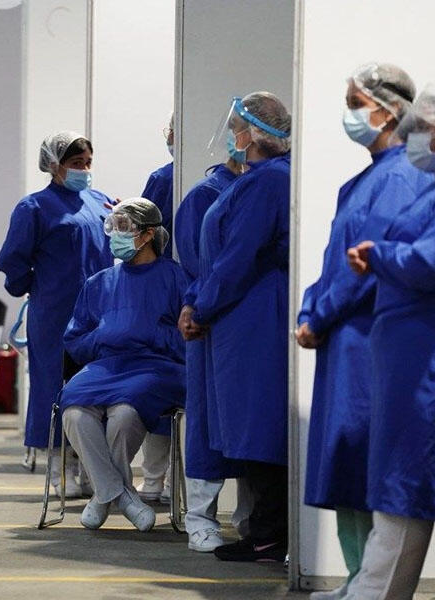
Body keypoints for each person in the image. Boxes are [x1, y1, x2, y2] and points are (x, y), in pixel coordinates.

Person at [295, 64, 426, 600]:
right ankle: (357, 581)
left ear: (389, 110)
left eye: (356, 103)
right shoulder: (360, 182)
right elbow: (335, 261)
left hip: (368, 338)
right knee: (348, 461)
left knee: (368, 460)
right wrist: (309, 309)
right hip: (341, 336)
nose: (349, 114)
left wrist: (320, 316)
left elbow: (365, 267)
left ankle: (367, 585)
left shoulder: (402, 176)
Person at [180, 92, 291, 562]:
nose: (232, 136)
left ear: (254, 134)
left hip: (253, 316)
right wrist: (196, 300)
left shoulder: (269, 181)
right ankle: (262, 532)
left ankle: (268, 536)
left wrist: (201, 307)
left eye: (236, 128)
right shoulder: (254, 181)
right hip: (237, 315)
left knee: (260, 425)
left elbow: (238, 257)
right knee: (249, 427)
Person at [342, 85, 435, 600]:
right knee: (402, 488)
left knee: (405, 487)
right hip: (407, 358)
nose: (419, 138)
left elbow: (427, 261)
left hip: (422, 364)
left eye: (426, 128)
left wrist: (379, 255)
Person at [0, 131, 113, 498]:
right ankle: (59, 467)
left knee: (94, 388)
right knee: (53, 385)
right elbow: (12, 260)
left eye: (88, 163)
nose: (84, 170)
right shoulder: (34, 208)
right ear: (53, 164)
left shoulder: (100, 202)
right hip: (55, 313)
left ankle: (91, 465)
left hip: (98, 314)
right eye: (76, 163)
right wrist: (35, 286)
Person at [61, 198, 185, 532]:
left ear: (148, 234)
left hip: (155, 367)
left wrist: (150, 335)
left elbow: (189, 337)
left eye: (124, 227)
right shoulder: (99, 283)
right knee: (73, 409)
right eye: (113, 227)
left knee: (126, 414)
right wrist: (105, 337)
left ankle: (103, 495)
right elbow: (75, 338)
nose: (116, 234)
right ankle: (120, 494)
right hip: (107, 365)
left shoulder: (175, 278)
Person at [176, 151, 251, 552]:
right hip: (209, 324)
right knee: (207, 423)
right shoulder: (207, 195)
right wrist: (201, 305)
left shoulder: (259, 186)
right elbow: (198, 266)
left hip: (245, 325)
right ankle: (201, 519)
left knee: (250, 428)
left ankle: (251, 522)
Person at [136, 114, 176, 504]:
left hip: (159, 293)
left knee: (156, 387)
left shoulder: (163, 179)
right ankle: (172, 484)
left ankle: (153, 481)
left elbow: (144, 229)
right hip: (186, 295)